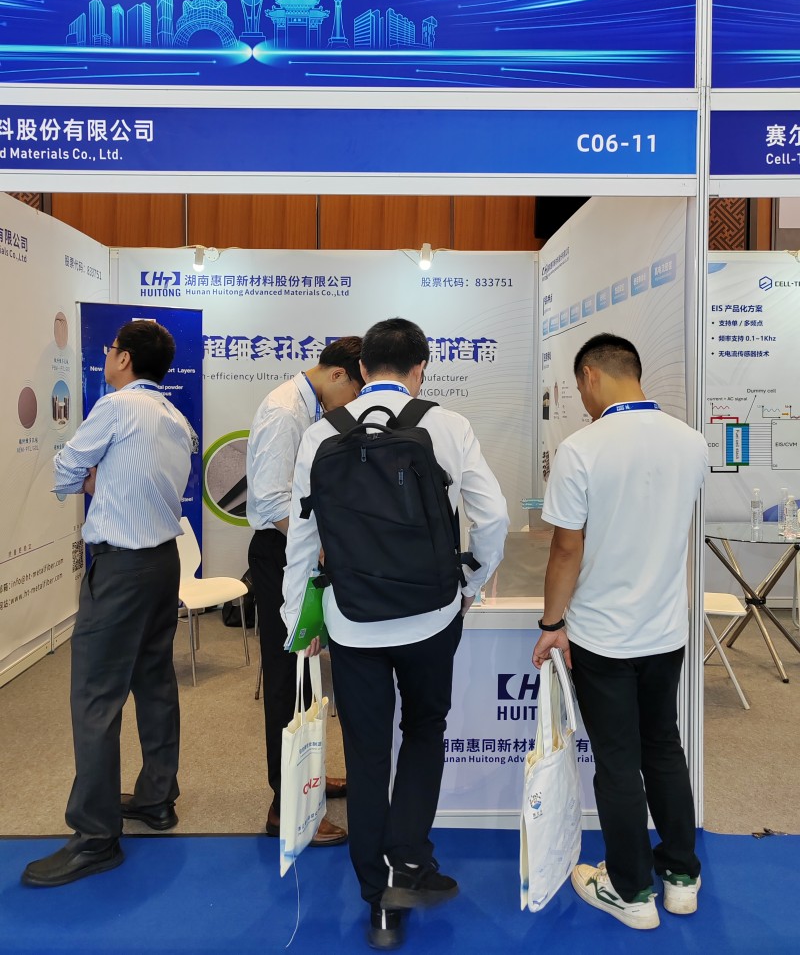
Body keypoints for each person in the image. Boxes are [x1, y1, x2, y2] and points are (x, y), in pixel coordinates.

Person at [282, 318, 509, 950]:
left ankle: (376, 897)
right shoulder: (448, 425)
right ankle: (408, 860)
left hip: (352, 619)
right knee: (424, 731)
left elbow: (301, 540)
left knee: (366, 750)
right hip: (432, 614)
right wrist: (472, 584)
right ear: (420, 369)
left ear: (362, 369)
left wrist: (297, 620)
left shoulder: (322, 433)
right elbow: (491, 518)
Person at [532, 333, 708, 930]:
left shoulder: (582, 448)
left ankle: (631, 892)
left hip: (602, 635)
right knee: (663, 746)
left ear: (590, 376)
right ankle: (681, 877)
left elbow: (566, 548)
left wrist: (551, 623)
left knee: (616, 761)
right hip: (665, 630)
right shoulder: (690, 442)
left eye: (579, 386)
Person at [23, 320, 196, 887]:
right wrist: (106, 478)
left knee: (96, 697)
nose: (106, 357)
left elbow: (66, 469)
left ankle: (96, 836)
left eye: (110, 350)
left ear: (124, 360)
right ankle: (156, 799)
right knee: (155, 682)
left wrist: (93, 479)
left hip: (121, 569)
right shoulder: (176, 417)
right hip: (163, 564)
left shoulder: (117, 407)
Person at [246, 337, 363, 848]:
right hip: (283, 556)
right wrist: (321, 550)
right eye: (355, 391)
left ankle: (309, 776)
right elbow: (273, 501)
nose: (353, 405)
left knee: (310, 676)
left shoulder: (309, 408)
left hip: (302, 555)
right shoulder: (285, 412)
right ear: (337, 374)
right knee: (288, 680)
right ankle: (287, 804)